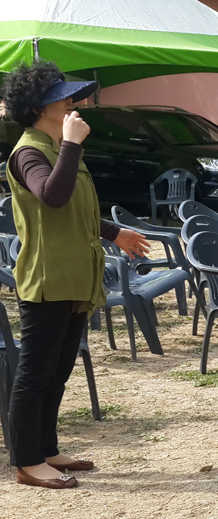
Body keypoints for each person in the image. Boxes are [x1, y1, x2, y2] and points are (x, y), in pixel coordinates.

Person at [2, 62, 150, 489]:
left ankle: (46, 449)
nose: (73, 101)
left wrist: (114, 231)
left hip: (74, 276)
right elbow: (52, 196)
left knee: (58, 369)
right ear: (36, 107)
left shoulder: (57, 148)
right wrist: (70, 145)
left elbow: (74, 210)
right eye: (62, 95)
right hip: (48, 278)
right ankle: (27, 462)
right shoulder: (30, 151)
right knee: (34, 374)